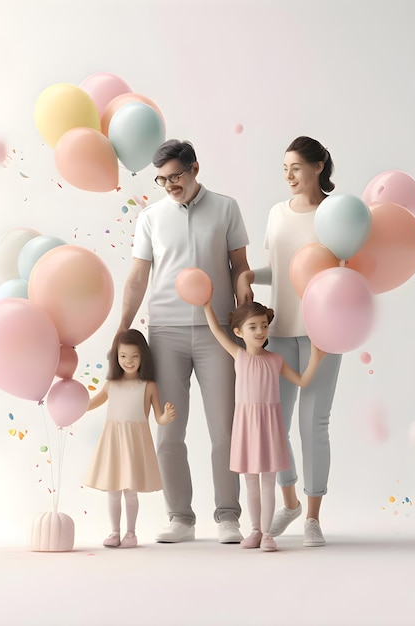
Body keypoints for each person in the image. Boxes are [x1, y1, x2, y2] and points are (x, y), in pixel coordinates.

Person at [117, 139, 253, 543]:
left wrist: (246, 304)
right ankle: (180, 517)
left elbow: (240, 266)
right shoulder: (151, 217)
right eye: (161, 179)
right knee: (169, 430)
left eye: (175, 176)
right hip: (165, 333)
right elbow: (139, 275)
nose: (169, 185)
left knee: (224, 430)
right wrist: (123, 329)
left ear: (195, 168)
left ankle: (228, 515)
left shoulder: (226, 208)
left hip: (218, 333)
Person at [238, 136, 342, 547]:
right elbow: (281, 271)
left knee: (313, 424)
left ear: (318, 166)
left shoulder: (335, 215)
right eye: (285, 168)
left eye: (296, 167)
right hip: (276, 336)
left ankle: (313, 517)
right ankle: (289, 502)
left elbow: (344, 270)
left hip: (323, 334)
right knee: (273, 423)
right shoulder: (277, 214)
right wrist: (250, 276)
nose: (288, 175)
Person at [203, 298, 325, 551]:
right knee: (251, 482)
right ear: (238, 332)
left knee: (268, 482)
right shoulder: (239, 355)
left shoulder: (275, 360)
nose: (260, 331)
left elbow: (302, 382)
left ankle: (268, 533)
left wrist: (315, 358)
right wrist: (206, 305)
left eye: (263, 325)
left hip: (269, 425)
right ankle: (256, 530)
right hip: (246, 425)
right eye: (253, 327)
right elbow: (216, 330)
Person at [84, 329, 176, 548]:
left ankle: (131, 533)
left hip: (135, 442)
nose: (128, 361)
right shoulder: (111, 384)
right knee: (113, 489)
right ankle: (114, 532)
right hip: (113, 442)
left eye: (134, 356)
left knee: (130, 489)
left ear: (143, 356)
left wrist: (165, 417)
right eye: (123, 356)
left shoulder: (148, 386)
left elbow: (157, 417)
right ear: (116, 357)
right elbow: (91, 403)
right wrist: (72, 404)